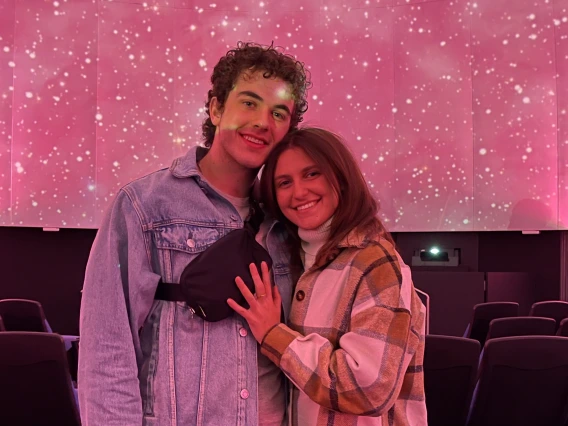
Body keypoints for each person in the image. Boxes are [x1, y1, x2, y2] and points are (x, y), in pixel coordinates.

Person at [78, 42, 311, 426]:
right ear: (217, 109)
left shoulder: (287, 220)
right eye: (249, 103)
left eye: (278, 112)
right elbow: (107, 349)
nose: (262, 122)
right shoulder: (144, 206)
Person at [227, 127, 428, 425]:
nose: (299, 192)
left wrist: (274, 335)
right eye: (284, 182)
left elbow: (368, 390)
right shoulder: (298, 257)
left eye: (312, 174)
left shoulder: (374, 263)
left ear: (341, 177)